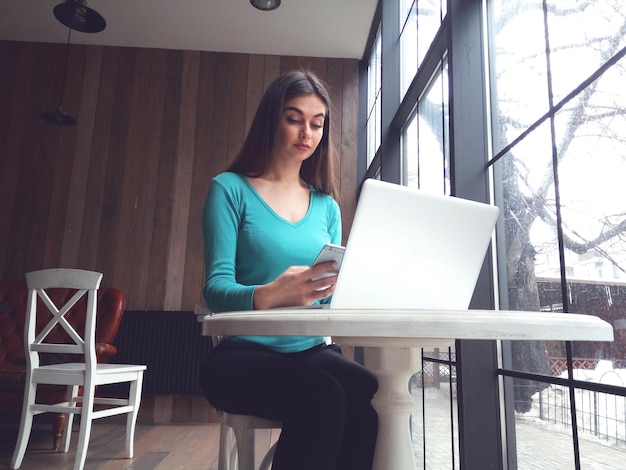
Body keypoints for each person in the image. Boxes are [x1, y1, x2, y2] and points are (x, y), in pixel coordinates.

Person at [199, 70, 378, 470]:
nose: (307, 132)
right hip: (242, 353)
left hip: (311, 350)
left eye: (317, 123)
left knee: (366, 390)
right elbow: (215, 287)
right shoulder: (229, 189)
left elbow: (330, 294)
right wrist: (269, 294)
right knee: (323, 395)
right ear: (271, 120)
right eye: (294, 118)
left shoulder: (327, 206)